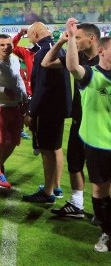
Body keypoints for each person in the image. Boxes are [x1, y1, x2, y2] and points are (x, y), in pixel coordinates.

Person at [41, 22, 100, 218]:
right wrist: (61, 41)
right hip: (78, 120)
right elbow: (47, 63)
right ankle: (77, 205)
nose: (74, 41)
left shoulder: (105, 60)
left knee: (101, 170)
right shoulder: (79, 56)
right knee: (75, 163)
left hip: (100, 124)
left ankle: (103, 209)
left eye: (78, 38)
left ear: (92, 38)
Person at [64, 18, 111, 252]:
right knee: (100, 189)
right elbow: (72, 67)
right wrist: (71, 37)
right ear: (101, 51)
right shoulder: (92, 76)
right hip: (98, 145)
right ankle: (106, 231)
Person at [22, 22, 71, 203]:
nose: (29, 39)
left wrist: (31, 111)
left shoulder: (44, 52)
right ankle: (55, 187)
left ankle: (48, 192)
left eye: (29, 36)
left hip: (47, 109)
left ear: (35, 33)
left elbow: (42, 86)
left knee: (47, 151)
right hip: (58, 107)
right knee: (56, 148)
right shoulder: (56, 48)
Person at [0, 35, 27, 189]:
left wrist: (24, 96)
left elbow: (19, 79)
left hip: (15, 105)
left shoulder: (15, 59)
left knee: (14, 140)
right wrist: (2, 90)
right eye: (2, 45)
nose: (5, 47)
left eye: (8, 44)